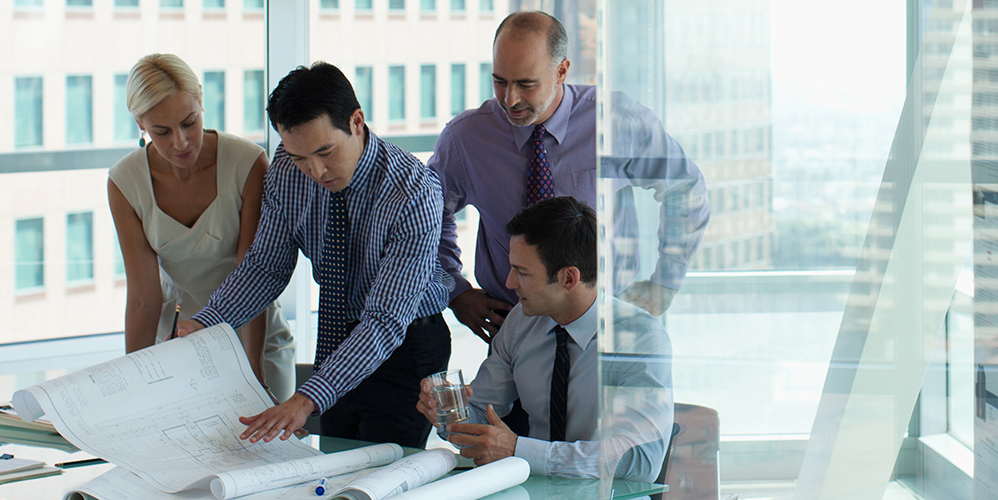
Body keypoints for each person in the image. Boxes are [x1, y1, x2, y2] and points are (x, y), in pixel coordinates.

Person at [174, 62, 454, 449]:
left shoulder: (413, 191)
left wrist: (306, 398)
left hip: (405, 344)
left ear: (356, 122)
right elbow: (265, 268)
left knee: (379, 474)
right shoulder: (288, 169)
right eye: (300, 156)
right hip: (338, 335)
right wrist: (207, 324)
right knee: (335, 469)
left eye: (325, 151)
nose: (315, 171)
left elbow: (385, 321)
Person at [432, 10, 709, 344]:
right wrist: (455, 291)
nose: (510, 100)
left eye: (526, 84)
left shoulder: (615, 122)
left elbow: (686, 190)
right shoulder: (468, 138)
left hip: (606, 328)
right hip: (513, 332)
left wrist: (664, 284)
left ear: (561, 71)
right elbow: (425, 217)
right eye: (500, 82)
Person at [420, 196, 674, 482]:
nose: (509, 283)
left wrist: (519, 450)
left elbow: (639, 462)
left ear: (568, 279)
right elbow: (480, 414)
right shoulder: (521, 321)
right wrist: (447, 412)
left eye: (522, 272)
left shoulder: (641, 339)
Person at [106, 53, 295, 404]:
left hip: (255, 339)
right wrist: (133, 383)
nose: (180, 142)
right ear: (140, 123)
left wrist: (254, 377)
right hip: (180, 349)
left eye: (189, 122)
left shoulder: (248, 163)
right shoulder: (124, 182)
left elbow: (252, 275)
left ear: (201, 103)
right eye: (161, 132)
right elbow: (145, 298)